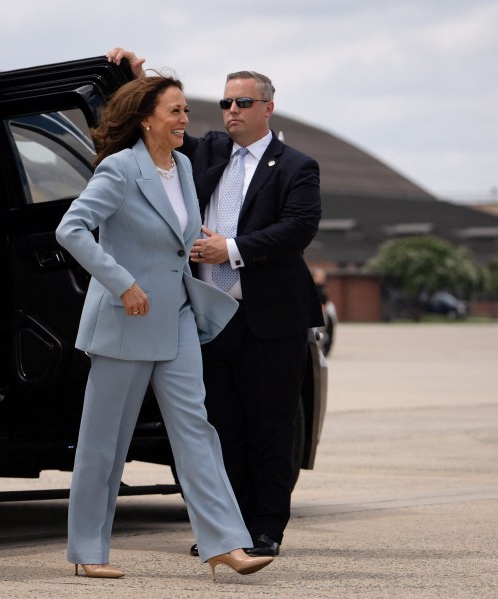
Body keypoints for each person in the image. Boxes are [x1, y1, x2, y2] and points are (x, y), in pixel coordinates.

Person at [56, 73, 274, 581]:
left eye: (184, 112)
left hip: (175, 318)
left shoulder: (181, 165)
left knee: (196, 429)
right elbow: (71, 228)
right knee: (104, 443)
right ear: (147, 118)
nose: (184, 121)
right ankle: (88, 551)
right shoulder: (119, 168)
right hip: (125, 321)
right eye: (174, 111)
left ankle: (224, 543)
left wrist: (192, 240)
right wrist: (122, 282)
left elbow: (171, 235)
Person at [107, 49, 324, 558]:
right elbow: (151, 122)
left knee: (271, 428)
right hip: (207, 319)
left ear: (268, 107)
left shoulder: (297, 166)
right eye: (226, 101)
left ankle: (265, 529)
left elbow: (299, 228)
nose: (231, 110)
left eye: (243, 102)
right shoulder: (206, 153)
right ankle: (227, 531)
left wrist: (231, 249)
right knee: (216, 428)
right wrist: (136, 77)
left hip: (269, 319)